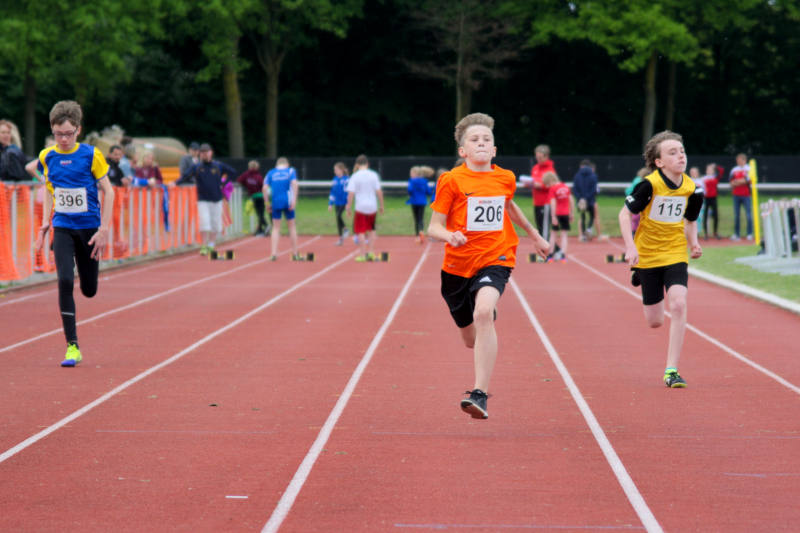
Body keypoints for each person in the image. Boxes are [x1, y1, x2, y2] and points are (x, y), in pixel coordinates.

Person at [427, 112, 550, 419]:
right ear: (463, 151)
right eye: (475, 139)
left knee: (484, 313)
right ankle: (481, 311)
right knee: (470, 339)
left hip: (496, 257)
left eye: (487, 140)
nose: (481, 143)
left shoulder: (504, 177)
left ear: (494, 149)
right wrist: (449, 235)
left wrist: (534, 235)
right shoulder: (451, 180)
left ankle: (479, 394)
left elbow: (509, 205)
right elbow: (433, 227)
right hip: (456, 268)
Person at [618, 130, 703, 388]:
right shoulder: (649, 185)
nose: (680, 156)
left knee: (678, 303)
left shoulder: (693, 188)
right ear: (659, 162)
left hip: (675, 252)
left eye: (682, 151)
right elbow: (624, 215)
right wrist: (630, 248)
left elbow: (689, 220)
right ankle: (640, 275)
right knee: (654, 321)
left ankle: (671, 370)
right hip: (647, 254)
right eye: (672, 152)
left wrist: (694, 242)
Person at [33, 100, 115, 367]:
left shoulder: (92, 155)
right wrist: (47, 222)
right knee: (65, 281)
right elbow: (48, 188)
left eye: (68, 133)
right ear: (52, 130)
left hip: (90, 230)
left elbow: (110, 192)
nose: (64, 139)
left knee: (89, 290)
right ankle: (72, 346)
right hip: (64, 227)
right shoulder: (47, 156)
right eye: (59, 134)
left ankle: (86, 273)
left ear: (78, 130)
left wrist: (104, 229)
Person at [177, 143, 236, 254]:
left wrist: (224, 183)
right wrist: (175, 183)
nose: (204, 155)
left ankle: (211, 244)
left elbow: (233, 172)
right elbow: (185, 176)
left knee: (216, 224)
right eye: (202, 153)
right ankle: (203, 245)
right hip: (202, 199)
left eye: (206, 152)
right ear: (200, 155)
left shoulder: (218, 166)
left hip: (217, 199)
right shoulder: (197, 167)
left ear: (211, 153)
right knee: (204, 222)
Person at [346, 154, 384, 261]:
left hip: (360, 207)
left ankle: (363, 255)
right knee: (371, 229)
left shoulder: (355, 176)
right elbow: (379, 191)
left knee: (361, 231)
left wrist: (348, 206)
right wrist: (381, 205)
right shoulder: (373, 175)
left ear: (357, 165)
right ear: (367, 164)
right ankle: (371, 252)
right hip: (372, 206)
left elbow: (351, 193)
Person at [263, 156, 300, 260]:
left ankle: (274, 253)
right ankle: (295, 253)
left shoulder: (271, 172)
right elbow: (294, 184)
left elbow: (264, 188)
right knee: (291, 227)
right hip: (288, 201)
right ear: (287, 164)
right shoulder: (290, 171)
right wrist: (294, 200)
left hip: (275, 202)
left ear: (277, 165)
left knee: (275, 228)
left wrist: (267, 203)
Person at [521, 144, 555, 242]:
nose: (538, 159)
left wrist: (538, 185)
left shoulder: (550, 169)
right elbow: (533, 182)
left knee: (544, 230)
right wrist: (529, 185)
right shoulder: (535, 168)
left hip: (546, 203)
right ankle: (554, 251)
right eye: (537, 157)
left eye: (540, 157)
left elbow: (551, 186)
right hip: (537, 202)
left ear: (546, 156)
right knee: (540, 228)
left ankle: (546, 254)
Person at [543, 171, 574, 262]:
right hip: (565, 214)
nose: (548, 187)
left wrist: (553, 216)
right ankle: (563, 256)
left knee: (553, 235)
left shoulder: (553, 189)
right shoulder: (565, 186)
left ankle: (550, 256)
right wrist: (571, 213)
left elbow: (553, 202)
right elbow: (571, 200)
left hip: (557, 213)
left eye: (548, 184)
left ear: (550, 181)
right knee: (564, 235)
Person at [237, 160, 268, 236]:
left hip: (255, 196)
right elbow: (262, 185)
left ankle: (263, 227)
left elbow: (239, 180)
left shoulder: (247, 175)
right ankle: (263, 227)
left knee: (259, 213)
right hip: (259, 196)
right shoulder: (258, 176)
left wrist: (246, 185)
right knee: (260, 213)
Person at [572, 159, 598, 241]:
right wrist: (587, 198)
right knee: (592, 216)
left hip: (580, 201)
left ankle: (583, 235)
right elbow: (594, 189)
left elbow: (575, 189)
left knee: (582, 217)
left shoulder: (577, 175)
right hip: (590, 200)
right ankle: (589, 229)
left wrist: (580, 198)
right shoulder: (593, 175)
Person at [729, 153, 753, 240]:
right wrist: (740, 181)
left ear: (744, 160)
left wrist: (737, 181)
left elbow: (748, 180)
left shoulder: (749, 169)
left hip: (746, 195)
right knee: (737, 215)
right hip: (736, 195)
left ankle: (750, 233)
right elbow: (731, 182)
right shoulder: (734, 170)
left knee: (748, 214)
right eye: (737, 160)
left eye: (739, 160)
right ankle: (737, 234)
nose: (738, 161)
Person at [407, 165, 431, 244]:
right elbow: (428, 191)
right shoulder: (424, 181)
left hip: (414, 202)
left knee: (416, 219)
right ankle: (421, 231)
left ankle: (417, 235)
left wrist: (411, 194)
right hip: (422, 202)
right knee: (421, 218)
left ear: (415, 173)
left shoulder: (412, 181)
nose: (410, 174)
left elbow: (409, 190)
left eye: (411, 173)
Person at [328, 161, 349, 245]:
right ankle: (340, 239)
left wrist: (348, 203)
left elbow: (348, 192)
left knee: (339, 215)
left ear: (341, 170)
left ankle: (346, 229)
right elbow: (332, 192)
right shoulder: (335, 180)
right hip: (337, 202)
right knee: (338, 220)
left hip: (344, 202)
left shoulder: (347, 179)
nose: (335, 171)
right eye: (334, 170)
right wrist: (330, 203)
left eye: (336, 170)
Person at [701, 162, 720, 239]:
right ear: (706, 171)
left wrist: (715, 166)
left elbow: (721, 171)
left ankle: (715, 232)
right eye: (708, 170)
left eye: (711, 170)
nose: (709, 171)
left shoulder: (715, 177)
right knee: (705, 215)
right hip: (706, 198)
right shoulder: (703, 179)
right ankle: (706, 234)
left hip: (713, 198)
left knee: (715, 216)